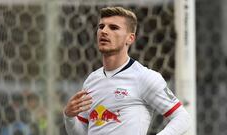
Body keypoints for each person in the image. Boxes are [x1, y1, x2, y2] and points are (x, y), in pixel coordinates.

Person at [63, 6, 191, 135]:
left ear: (130, 38)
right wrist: (69, 117)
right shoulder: (91, 81)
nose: (104, 31)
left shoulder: (145, 77)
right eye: (101, 26)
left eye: (113, 27)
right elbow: (81, 133)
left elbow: (182, 118)